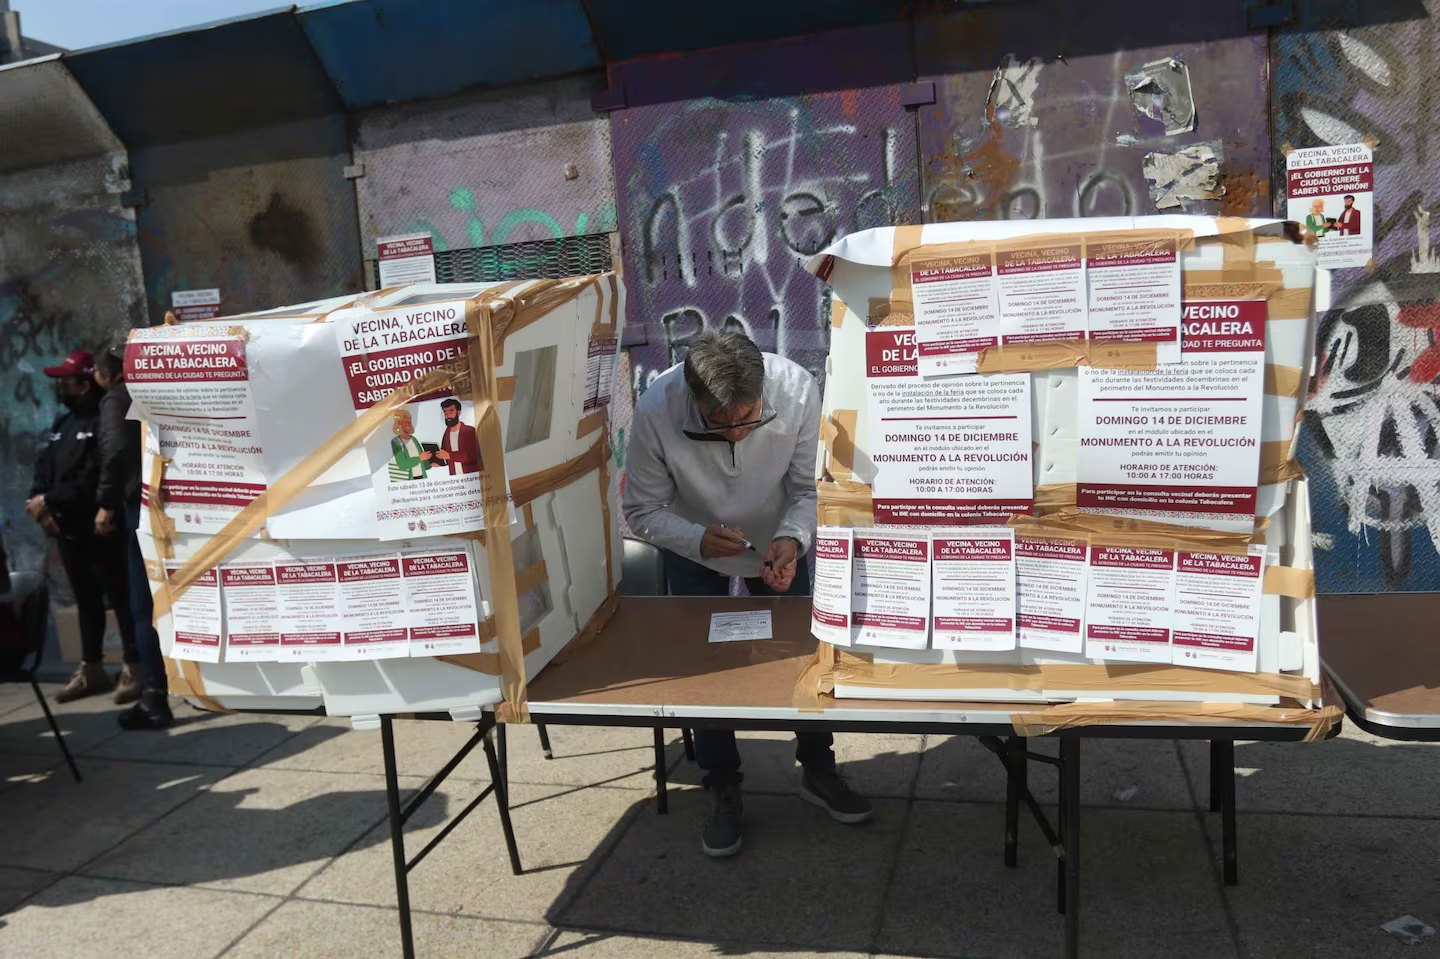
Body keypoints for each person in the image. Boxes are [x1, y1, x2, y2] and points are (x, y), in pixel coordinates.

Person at [623, 329, 873, 858]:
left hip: (778, 534)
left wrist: (792, 538)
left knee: (799, 653)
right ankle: (721, 782)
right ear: (692, 400)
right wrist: (694, 539)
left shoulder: (798, 390)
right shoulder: (655, 409)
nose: (737, 434)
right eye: (720, 424)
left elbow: (811, 489)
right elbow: (641, 511)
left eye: (749, 419)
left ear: (765, 393)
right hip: (693, 541)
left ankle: (819, 768)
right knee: (705, 664)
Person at [29, 350, 140, 704]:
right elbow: (43, 469)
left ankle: (134, 665)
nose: (63, 386)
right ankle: (92, 668)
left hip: (99, 525)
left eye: (69, 380)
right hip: (66, 528)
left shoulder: (101, 419)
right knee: (86, 599)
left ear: (88, 380)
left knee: (120, 596)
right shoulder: (63, 424)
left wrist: (52, 501)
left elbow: (94, 476)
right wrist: (39, 504)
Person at [94, 340, 173, 729]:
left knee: (143, 608)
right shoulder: (154, 388)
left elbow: (115, 451)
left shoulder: (115, 399)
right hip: (169, 504)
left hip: (137, 509)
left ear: (107, 373)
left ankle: (154, 698)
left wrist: (106, 502)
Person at [434, 397, 481, 475]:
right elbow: (444, 453)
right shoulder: (447, 432)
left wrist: (450, 455)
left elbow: (473, 455)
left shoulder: (470, 431)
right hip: (454, 478)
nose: (448, 415)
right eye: (445, 413)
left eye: (451, 412)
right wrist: (439, 462)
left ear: (458, 412)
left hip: (470, 477)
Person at [388, 409, 431, 481]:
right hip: (409, 480)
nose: (408, 423)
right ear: (399, 423)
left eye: (409, 421)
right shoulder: (396, 441)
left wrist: (430, 464)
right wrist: (419, 458)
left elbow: (423, 459)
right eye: (405, 421)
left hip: (422, 477)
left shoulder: (414, 439)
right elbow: (402, 465)